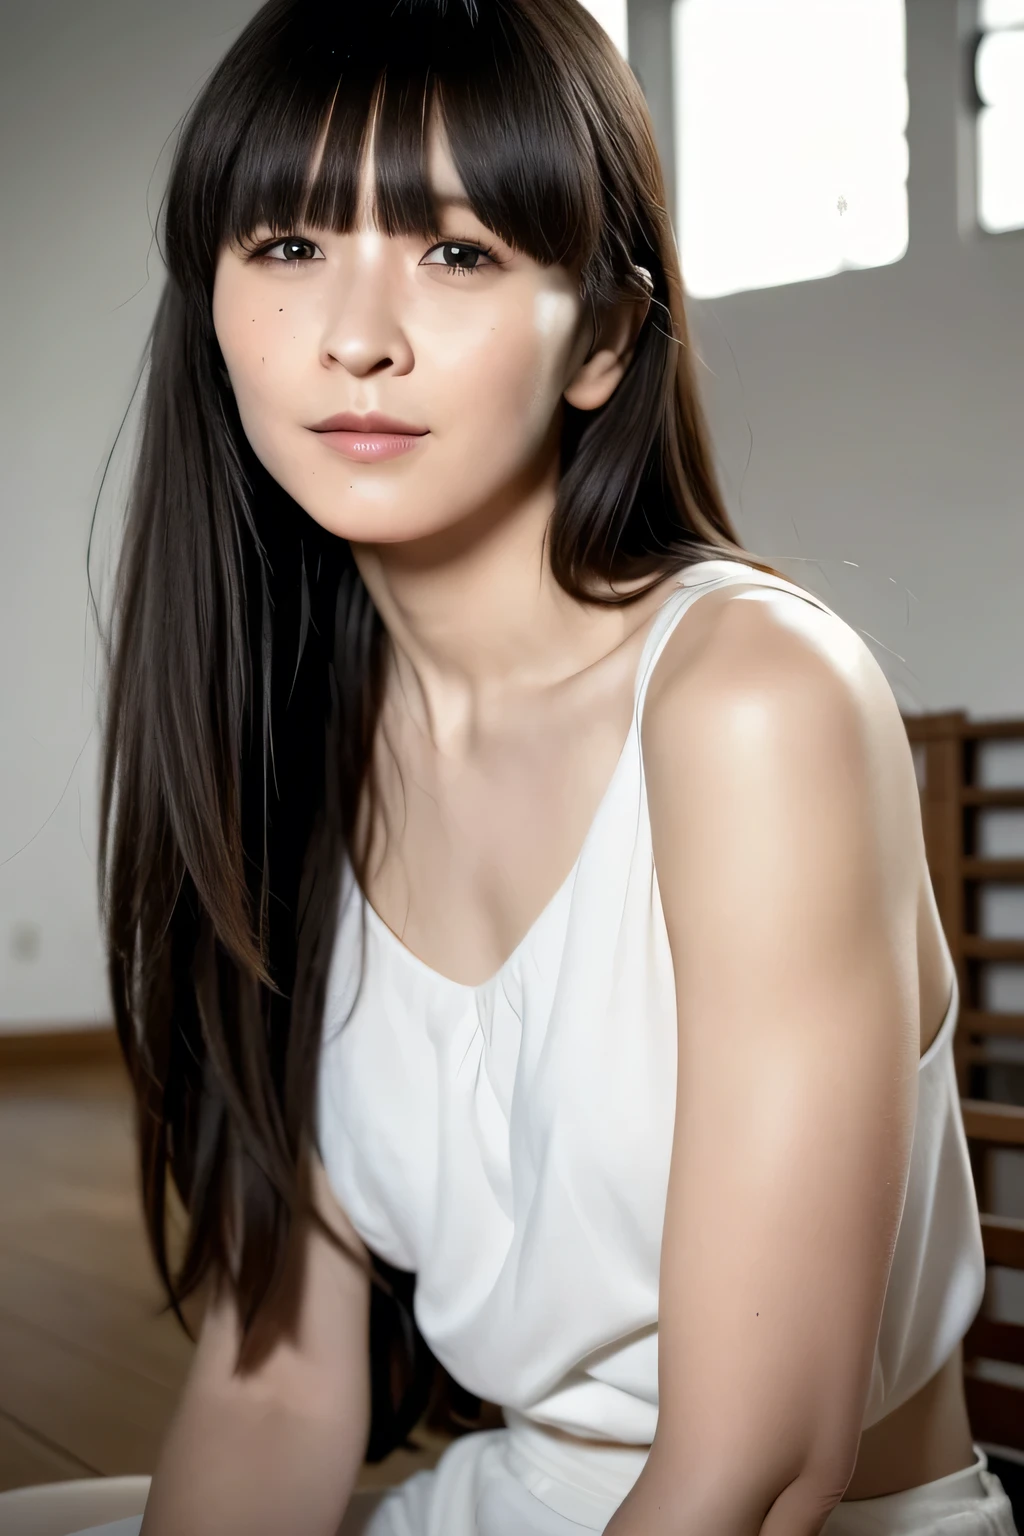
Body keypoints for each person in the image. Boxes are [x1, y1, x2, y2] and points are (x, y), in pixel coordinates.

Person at [68, 1, 1017, 1533]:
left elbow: (760, 1469)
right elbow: (276, 1388)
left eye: (456, 252)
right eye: (289, 244)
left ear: (603, 338)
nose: (355, 336)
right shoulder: (292, 742)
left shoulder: (751, 701)